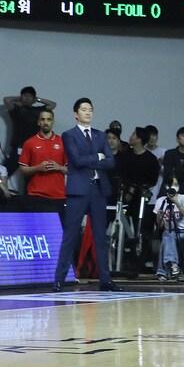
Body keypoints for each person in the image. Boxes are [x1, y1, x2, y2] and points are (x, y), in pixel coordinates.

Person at [53, 98, 119, 292]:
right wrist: (97, 157)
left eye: (90, 109)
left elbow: (110, 161)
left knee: (101, 237)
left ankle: (105, 280)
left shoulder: (100, 135)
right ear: (76, 114)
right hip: (78, 189)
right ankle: (59, 278)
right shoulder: (69, 135)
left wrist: (96, 159)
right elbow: (76, 160)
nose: (88, 113)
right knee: (70, 235)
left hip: (98, 189)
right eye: (84, 110)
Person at [17, 108, 67, 201]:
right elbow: (22, 170)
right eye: (42, 119)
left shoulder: (63, 142)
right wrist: (38, 168)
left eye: (49, 119)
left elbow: (71, 170)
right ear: (38, 122)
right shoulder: (29, 143)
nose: (45, 122)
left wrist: (59, 167)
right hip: (36, 194)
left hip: (59, 195)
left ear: (53, 122)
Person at [2, 86, 56, 170]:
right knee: (6, 170)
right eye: (25, 96)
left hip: (34, 147)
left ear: (33, 98)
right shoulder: (16, 109)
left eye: (29, 96)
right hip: (18, 145)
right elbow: (6, 100)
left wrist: (37, 99)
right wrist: (19, 98)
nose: (27, 98)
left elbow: (52, 104)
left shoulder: (38, 110)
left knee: (31, 174)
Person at [153, 182, 184, 282]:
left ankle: (164, 271)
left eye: (175, 185)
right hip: (169, 231)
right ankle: (173, 266)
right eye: (170, 185)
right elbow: (160, 225)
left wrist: (176, 201)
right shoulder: (161, 201)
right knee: (168, 234)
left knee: (167, 237)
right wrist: (159, 216)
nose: (172, 188)